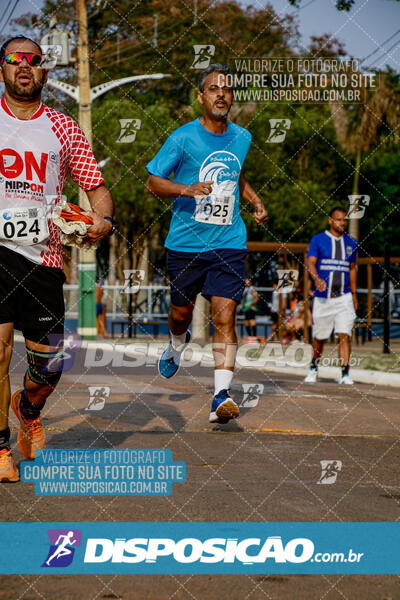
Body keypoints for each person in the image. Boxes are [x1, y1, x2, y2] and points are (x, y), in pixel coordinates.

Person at [0, 37, 115, 482]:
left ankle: (28, 407)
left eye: (33, 60)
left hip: (45, 257)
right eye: (14, 59)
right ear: (3, 69)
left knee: (49, 366)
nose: (24, 66)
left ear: (45, 72)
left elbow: (96, 187)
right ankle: (2, 449)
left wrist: (102, 219)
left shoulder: (64, 127)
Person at [146, 64, 268, 424]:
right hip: (185, 244)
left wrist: (255, 200)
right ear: (201, 97)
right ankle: (176, 343)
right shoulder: (182, 138)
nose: (220, 94)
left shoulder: (242, 137)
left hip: (229, 241)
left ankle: (221, 397)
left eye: (226, 89)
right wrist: (186, 189)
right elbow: (153, 182)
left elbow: (236, 173)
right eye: (213, 89)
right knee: (181, 314)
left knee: (225, 315)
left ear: (231, 98)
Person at [304, 207, 358, 385]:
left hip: (344, 297)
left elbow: (352, 269)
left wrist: (354, 294)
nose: (342, 222)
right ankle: (313, 368)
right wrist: (316, 278)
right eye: (338, 219)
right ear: (330, 220)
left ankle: (345, 374)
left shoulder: (351, 243)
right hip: (323, 298)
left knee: (345, 334)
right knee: (320, 337)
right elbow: (310, 263)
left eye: (344, 220)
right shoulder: (318, 240)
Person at [243, 278, 259, 342]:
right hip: (246, 308)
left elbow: (257, 298)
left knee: (252, 322)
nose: (246, 282)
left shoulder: (252, 289)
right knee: (246, 323)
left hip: (251, 308)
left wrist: (251, 304)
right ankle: (250, 337)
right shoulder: (246, 289)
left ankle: (254, 338)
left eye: (247, 281)